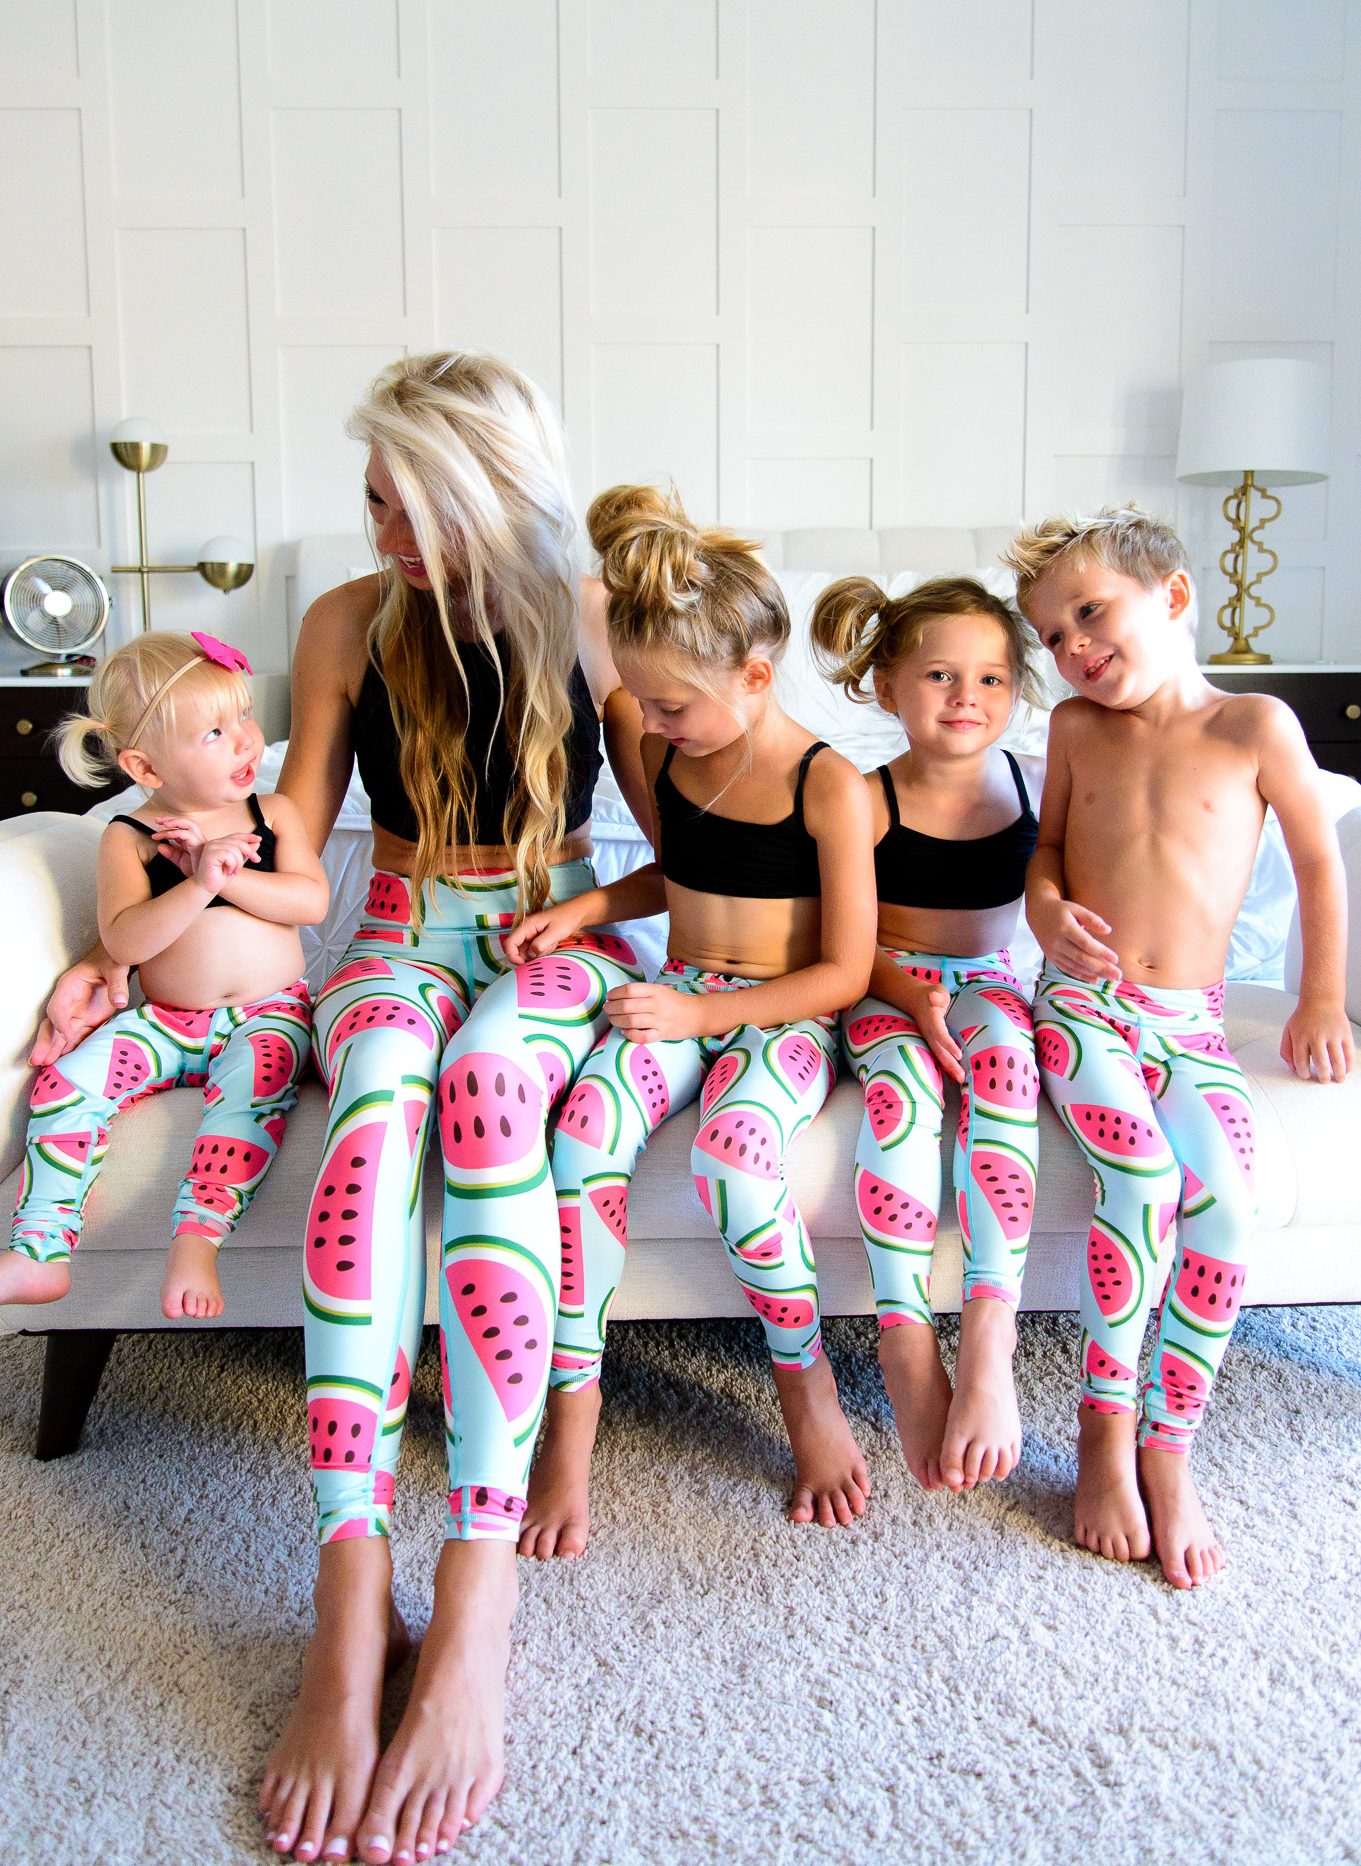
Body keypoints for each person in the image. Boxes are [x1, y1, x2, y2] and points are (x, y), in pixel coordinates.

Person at [34, 353, 652, 1866]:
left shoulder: (590, 614)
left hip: (559, 929)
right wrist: (159, 909)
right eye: (372, 498)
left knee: (490, 1086)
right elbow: (292, 820)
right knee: (374, 1097)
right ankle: (350, 1581)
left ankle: (478, 1586)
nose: (383, 529)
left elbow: (682, 827)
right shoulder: (343, 621)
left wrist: (660, 925)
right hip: (393, 928)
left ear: (490, 494)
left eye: (410, 503)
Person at [507, 483, 877, 1560]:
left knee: (734, 1161)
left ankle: (804, 1387)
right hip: (680, 998)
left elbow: (844, 973)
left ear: (754, 676)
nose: (650, 724)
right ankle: (570, 1418)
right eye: (640, 701)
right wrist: (585, 909)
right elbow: (676, 876)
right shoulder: (670, 751)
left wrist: (694, 1012)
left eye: (670, 705)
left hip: (779, 1016)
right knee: (579, 1141)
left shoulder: (829, 786)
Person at [1004, 505, 1353, 1589]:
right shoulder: (1075, 728)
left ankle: (1169, 1442)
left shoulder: (1254, 727)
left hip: (1192, 1023)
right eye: (1051, 635)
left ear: (1174, 596)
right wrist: (1044, 907)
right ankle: (1102, 1430)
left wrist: (1319, 998)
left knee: (1227, 1205)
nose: (1070, 646)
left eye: (1088, 613)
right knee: (1142, 1181)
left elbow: (1317, 862)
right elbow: (1045, 849)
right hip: (1080, 1009)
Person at [1, 629, 324, 1319]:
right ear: (145, 767)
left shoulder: (272, 814)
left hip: (270, 1014)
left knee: (252, 1094)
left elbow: (309, 902)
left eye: (243, 715)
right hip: (167, 1022)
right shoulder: (128, 836)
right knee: (65, 1083)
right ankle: (39, 1250)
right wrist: (196, 883)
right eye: (215, 732)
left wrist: (225, 874)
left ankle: (197, 1243)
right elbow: (125, 938)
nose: (246, 740)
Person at [809, 576, 1047, 1495]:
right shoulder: (863, 798)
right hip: (884, 982)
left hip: (985, 981)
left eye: (990, 679)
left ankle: (990, 1329)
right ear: (886, 688)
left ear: (1015, 692)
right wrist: (909, 994)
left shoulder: (1031, 782)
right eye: (940, 675)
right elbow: (836, 938)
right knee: (902, 1096)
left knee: (1007, 1068)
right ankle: (904, 1336)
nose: (965, 697)